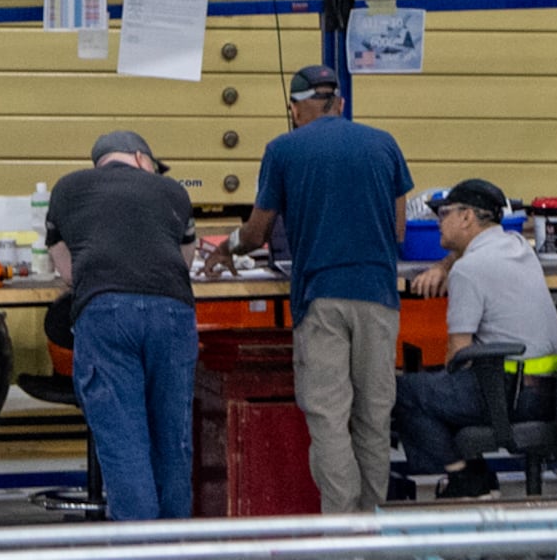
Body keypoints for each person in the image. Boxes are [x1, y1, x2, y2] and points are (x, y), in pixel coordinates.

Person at [238, 62, 413, 513]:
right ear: (341, 103)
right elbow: (397, 229)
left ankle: (343, 534)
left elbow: (257, 234)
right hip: (378, 296)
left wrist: (228, 250)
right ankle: (372, 528)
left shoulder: (283, 150)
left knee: (330, 419)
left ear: (297, 108)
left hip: (322, 298)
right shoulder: (384, 144)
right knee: (374, 419)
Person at [45, 129, 202, 520]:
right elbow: (185, 259)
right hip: (172, 313)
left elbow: (67, 271)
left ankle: (139, 546)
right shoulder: (173, 192)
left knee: (124, 445)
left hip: (107, 313)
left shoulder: (68, 189)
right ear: (140, 158)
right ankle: (174, 547)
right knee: (173, 442)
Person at [390, 178, 557, 499]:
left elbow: (459, 353)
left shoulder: (469, 270)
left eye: (443, 214)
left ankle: (465, 478)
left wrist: (440, 387)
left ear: (467, 217)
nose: (437, 223)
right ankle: (471, 477)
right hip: (551, 389)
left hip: (513, 394)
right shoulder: (516, 246)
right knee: (441, 392)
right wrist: (444, 265)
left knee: (404, 391)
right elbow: (470, 254)